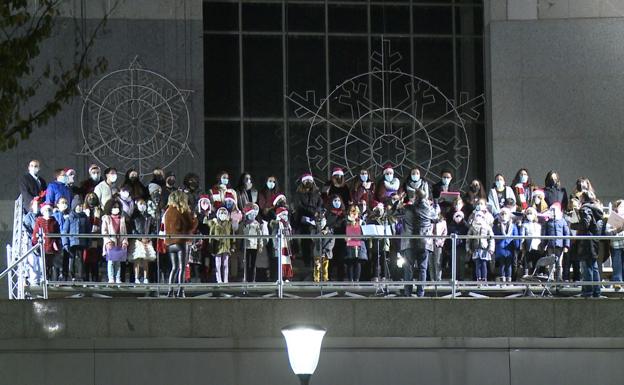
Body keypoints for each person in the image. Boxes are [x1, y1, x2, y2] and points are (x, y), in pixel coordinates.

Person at [401, 189, 437, 297]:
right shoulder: (429, 209)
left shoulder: (407, 209)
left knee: (408, 267)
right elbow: (436, 218)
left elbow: (392, 213)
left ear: (415, 197)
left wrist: (399, 200)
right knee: (423, 268)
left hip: (409, 243)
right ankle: (420, 292)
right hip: (424, 242)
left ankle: (408, 292)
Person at [163, 191, 197, 296]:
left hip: (170, 243)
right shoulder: (182, 210)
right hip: (181, 242)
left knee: (174, 267)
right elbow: (190, 226)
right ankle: (181, 291)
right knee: (182, 267)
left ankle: (170, 291)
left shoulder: (168, 211)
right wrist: (195, 219)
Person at [292, 173, 323, 268]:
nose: (308, 182)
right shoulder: (299, 194)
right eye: (306, 181)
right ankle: (307, 263)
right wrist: (311, 212)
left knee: (315, 242)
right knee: (306, 243)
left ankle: (316, 262)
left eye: (309, 180)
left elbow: (320, 204)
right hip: (303, 221)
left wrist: (317, 212)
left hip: (314, 221)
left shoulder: (316, 193)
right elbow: (299, 206)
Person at [577, 191, 603, 297]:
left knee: (586, 266)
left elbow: (585, 224)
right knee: (594, 266)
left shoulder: (585, 209)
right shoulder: (596, 209)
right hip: (594, 241)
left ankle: (587, 292)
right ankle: (596, 292)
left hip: (586, 241)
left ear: (583, 198)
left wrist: (574, 225)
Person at [129, 198, 157, 284]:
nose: (142, 206)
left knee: (146, 259)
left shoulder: (149, 217)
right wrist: (140, 238)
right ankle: (136, 278)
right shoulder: (134, 217)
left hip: (147, 240)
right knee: (137, 259)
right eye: (140, 204)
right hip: (138, 240)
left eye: (144, 204)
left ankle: (145, 278)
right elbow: (133, 229)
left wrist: (149, 238)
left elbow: (153, 228)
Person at [101, 200, 128, 284]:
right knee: (111, 261)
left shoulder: (122, 218)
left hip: (119, 243)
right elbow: (104, 232)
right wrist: (108, 241)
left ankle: (118, 278)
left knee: (118, 263)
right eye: (114, 207)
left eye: (117, 207)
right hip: (111, 243)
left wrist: (125, 241)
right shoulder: (106, 218)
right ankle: (111, 278)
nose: (116, 209)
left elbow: (125, 232)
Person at [32, 203, 61, 281]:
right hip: (43, 246)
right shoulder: (39, 221)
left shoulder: (54, 221)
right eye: (46, 210)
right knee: (44, 264)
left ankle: (52, 279)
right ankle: (45, 278)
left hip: (52, 246)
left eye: (49, 210)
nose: (47, 212)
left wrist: (57, 244)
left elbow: (58, 234)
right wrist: (35, 244)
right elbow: (35, 233)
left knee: (52, 264)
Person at [63, 200, 89, 281]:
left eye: (80, 205)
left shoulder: (84, 217)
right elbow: (65, 231)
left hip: (81, 242)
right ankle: (72, 276)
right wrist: (66, 243)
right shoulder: (70, 218)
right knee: (72, 259)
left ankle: (81, 276)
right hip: (72, 242)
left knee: (81, 260)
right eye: (78, 205)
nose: (79, 207)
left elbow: (88, 230)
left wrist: (88, 242)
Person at [493, 207, 520, 282]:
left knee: (509, 265)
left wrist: (517, 246)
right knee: (502, 264)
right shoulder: (497, 225)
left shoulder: (513, 226)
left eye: (505, 214)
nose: (504, 215)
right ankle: (502, 280)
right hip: (500, 247)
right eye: (502, 214)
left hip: (509, 247)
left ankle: (509, 279)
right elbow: (495, 235)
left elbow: (516, 236)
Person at [466, 211, 495, 283]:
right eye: (477, 216)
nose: (479, 217)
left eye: (480, 216)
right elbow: (468, 238)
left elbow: (491, 238)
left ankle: (484, 278)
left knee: (484, 264)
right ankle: (478, 279)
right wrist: (468, 248)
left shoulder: (487, 226)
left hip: (484, 248)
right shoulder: (472, 227)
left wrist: (491, 248)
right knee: (477, 264)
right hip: (475, 248)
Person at [241, 203, 265, 282]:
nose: (253, 216)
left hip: (254, 246)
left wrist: (260, 245)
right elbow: (241, 233)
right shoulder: (244, 224)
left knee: (253, 263)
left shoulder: (256, 224)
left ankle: (252, 279)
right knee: (246, 263)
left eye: (254, 214)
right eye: (251, 214)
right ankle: (246, 278)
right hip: (246, 246)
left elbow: (259, 235)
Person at [326, 194, 347, 281]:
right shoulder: (328, 213)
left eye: (338, 201)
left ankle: (340, 277)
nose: (337, 203)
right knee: (331, 258)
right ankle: (329, 276)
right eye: (335, 201)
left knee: (340, 259)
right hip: (331, 239)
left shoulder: (344, 214)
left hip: (341, 239)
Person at [83, 193, 103, 282]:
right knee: (85, 259)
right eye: (89, 197)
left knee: (94, 260)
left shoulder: (99, 211)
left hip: (96, 237)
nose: (91, 198)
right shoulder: (83, 210)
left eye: (93, 197)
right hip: (86, 238)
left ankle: (95, 280)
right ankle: (86, 280)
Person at [272, 207, 294, 281]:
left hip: (287, 246)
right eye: (283, 214)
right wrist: (276, 246)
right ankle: (279, 278)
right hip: (280, 247)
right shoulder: (277, 224)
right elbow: (274, 235)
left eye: (286, 214)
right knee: (279, 263)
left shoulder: (287, 224)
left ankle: (286, 277)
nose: (285, 216)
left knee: (287, 261)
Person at [345, 205, 367, 282]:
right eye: (352, 211)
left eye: (356, 211)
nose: (354, 213)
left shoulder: (362, 222)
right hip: (349, 245)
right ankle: (350, 280)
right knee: (350, 262)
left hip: (359, 245)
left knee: (358, 263)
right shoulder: (345, 222)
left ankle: (357, 280)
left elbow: (365, 236)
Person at [606, 200, 624, 290]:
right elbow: (607, 232)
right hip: (616, 244)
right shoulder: (613, 217)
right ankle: (617, 282)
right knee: (617, 264)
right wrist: (617, 230)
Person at [520, 207, 543, 276]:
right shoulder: (524, 225)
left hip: (537, 246)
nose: (529, 215)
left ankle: (536, 275)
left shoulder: (538, 226)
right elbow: (522, 236)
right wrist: (522, 247)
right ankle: (526, 276)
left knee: (536, 261)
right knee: (527, 262)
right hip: (528, 246)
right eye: (528, 213)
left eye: (531, 213)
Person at [446, 210, 468, 280]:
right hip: (453, 247)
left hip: (462, 246)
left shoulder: (465, 226)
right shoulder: (451, 226)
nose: (458, 218)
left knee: (461, 263)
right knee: (454, 263)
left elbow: (467, 234)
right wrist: (447, 248)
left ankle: (461, 278)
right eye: (457, 216)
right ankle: (455, 278)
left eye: (460, 216)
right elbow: (448, 237)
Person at [431, 210, 447, 282]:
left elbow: (445, 232)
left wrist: (442, 241)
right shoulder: (429, 220)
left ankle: (438, 279)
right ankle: (432, 279)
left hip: (438, 243)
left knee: (438, 262)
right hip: (430, 243)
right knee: (430, 262)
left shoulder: (442, 221)